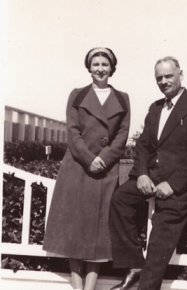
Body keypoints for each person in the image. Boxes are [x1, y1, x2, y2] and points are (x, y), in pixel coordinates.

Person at [109, 56, 187, 290]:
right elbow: (144, 145)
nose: (164, 81)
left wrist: (174, 184)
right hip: (153, 175)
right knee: (119, 200)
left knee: (161, 232)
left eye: (168, 76)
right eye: (159, 78)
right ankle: (134, 265)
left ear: (180, 75)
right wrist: (143, 174)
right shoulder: (155, 108)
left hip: (181, 182)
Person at [43, 47, 130, 290]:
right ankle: (76, 284)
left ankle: (89, 286)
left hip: (105, 169)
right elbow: (72, 132)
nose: (100, 68)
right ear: (89, 68)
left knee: (99, 227)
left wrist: (102, 158)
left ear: (112, 68)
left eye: (105, 64)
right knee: (75, 224)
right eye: (96, 64)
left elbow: (122, 136)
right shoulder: (78, 95)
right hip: (78, 167)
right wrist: (89, 158)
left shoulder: (122, 98)